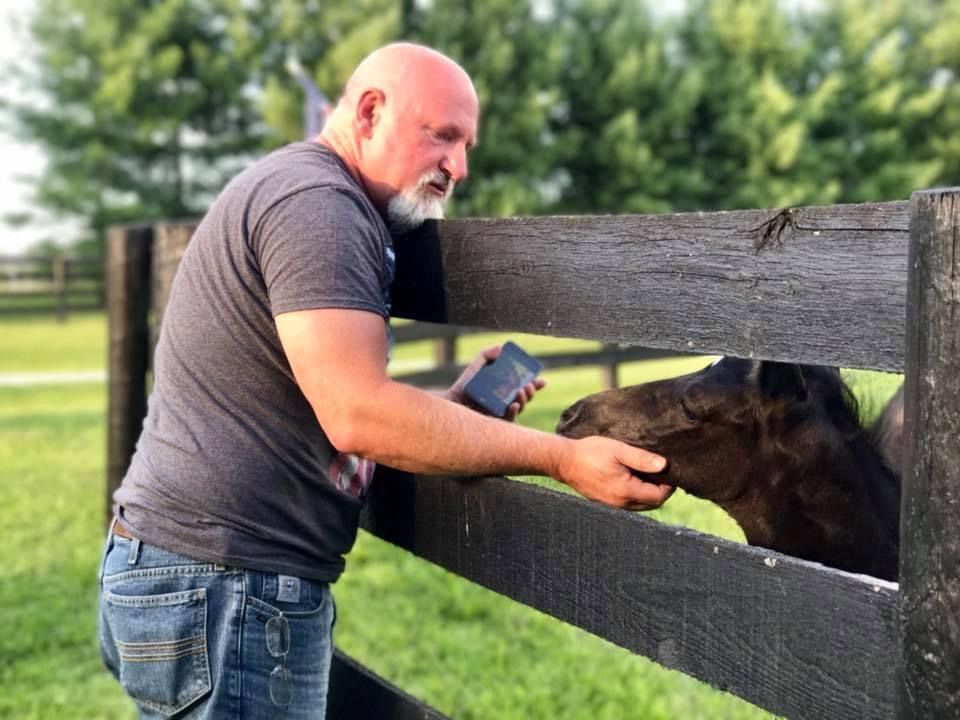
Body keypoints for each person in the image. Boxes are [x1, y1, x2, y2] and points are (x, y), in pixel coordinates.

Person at [97, 42, 673, 718]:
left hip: (188, 573)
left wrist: (454, 412)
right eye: (443, 136)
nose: (458, 166)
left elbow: (329, 401)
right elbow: (358, 414)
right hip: (225, 585)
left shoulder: (308, 194)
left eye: (467, 146)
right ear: (370, 112)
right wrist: (564, 457)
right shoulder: (320, 206)